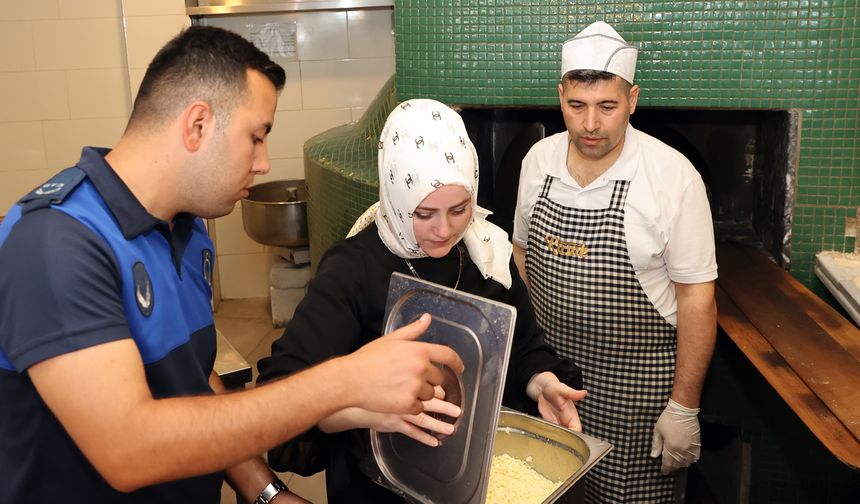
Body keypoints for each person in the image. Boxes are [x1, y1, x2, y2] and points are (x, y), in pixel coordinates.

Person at [0, 26, 464, 504]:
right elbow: (128, 450)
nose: (263, 162)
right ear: (198, 125)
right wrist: (343, 380)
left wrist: (266, 492)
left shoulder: (186, 231)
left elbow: (194, 384)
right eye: (256, 136)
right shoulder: (56, 242)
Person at [257, 98, 586, 503]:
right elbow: (282, 392)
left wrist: (542, 383)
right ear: (395, 198)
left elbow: (523, 346)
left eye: (460, 209)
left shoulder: (486, 251)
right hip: (384, 484)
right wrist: (365, 407)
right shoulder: (352, 271)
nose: (444, 230)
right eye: (424, 213)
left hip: (470, 472)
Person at [512, 21, 718, 503]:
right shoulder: (537, 161)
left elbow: (697, 298)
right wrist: (523, 364)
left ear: (633, 99)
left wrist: (684, 407)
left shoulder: (672, 177)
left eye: (607, 106)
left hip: (638, 399)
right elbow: (520, 259)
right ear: (560, 94)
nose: (589, 125)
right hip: (552, 383)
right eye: (576, 106)